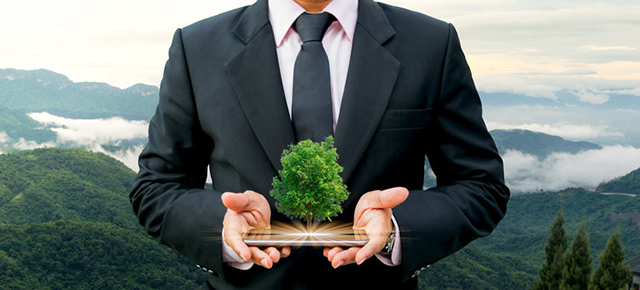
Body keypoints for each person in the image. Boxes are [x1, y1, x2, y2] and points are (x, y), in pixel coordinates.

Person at [130, 0, 509, 289]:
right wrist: (223, 226)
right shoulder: (197, 47)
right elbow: (156, 189)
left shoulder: (430, 44)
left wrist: (396, 228)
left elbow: (481, 185)